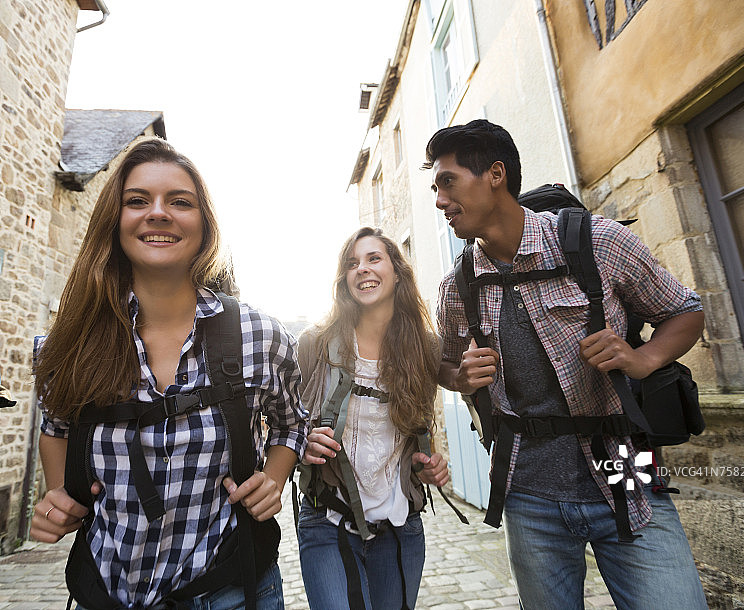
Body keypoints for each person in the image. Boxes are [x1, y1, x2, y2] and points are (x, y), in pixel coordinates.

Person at [424, 119, 708, 610]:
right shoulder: (458, 286)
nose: (439, 200)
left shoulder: (596, 243)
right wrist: (460, 375)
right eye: (435, 187)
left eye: (448, 181)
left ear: (495, 175)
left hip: (625, 472)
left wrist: (642, 359)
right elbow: (445, 367)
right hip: (527, 492)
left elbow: (684, 309)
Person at [29, 137, 308, 609]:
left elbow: (291, 423)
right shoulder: (68, 343)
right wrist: (62, 496)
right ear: (114, 222)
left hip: (229, 588)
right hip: (107, 591)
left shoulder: (259, 336)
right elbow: (56, 426)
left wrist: (274, 479)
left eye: (180, 202)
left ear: (204, 225)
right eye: (137, 201)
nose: (158, 213)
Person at [296, 227, 449, 610]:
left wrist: (428, 464)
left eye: (373, 258)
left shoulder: (424, 349)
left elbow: (415, 432)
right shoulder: (314, 344)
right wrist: (303, 442)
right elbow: (281, 425)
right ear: (344, 281)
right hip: (326, 520)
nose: (362, 269)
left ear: (397, 271)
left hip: (399, 529)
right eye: (352, 263)